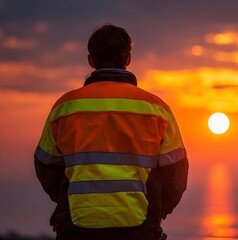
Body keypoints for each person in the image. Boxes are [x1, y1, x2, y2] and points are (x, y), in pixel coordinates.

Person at [34, 24, 189, 240]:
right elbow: (176, 175)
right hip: (139, 227)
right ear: (128, 59)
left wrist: (68, 204)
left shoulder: (65, 106)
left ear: (90, 60)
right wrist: (155, 214)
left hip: (78, 226)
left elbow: (46, 167)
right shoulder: (157, 108)